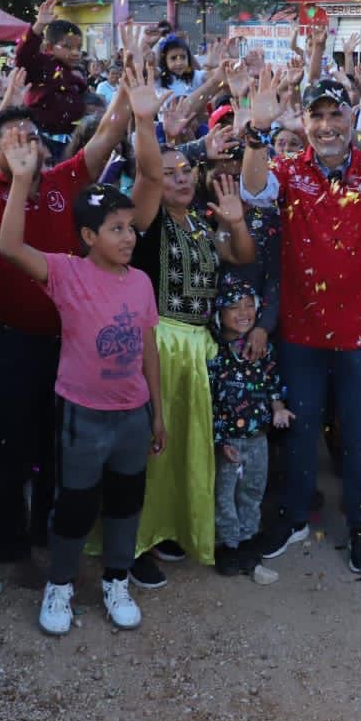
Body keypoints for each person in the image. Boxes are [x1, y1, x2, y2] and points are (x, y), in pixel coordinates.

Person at [241, 3, 361, 575]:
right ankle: (294, 517)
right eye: (317, 117)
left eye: (336, 116)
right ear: (303, 123)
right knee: (299, 432)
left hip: (360, 334)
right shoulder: (287, 171)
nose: (327, 126)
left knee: (358, 434)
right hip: (300, 332)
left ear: (353, 117)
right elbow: (253, 192)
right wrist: (256, 131)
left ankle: (360, 526)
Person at [0, 12, 131, 564]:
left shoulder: (66, 180)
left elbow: (107, 136)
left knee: (59, 444)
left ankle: (52, 533)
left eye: (35, 139)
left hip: (68, 340)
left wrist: (129, 87)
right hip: (6, 341)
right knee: (8, 445)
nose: (29, 148)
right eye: (15, 141)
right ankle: (8, 544)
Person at [0, 131, 163, 635]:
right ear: (89, 237)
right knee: (74, 503)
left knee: (126, 500)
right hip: (82, 414)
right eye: (116, 229)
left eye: (131, 228)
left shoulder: (140, 281)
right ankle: (61, 584)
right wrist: (22, 182)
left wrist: (158, 412)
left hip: (132, 414)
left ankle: (116, 579)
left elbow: (148, 348)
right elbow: (8, 247)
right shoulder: (66, 273)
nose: (129, 238)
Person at [119, 61, 255, 584]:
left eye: (185, 171)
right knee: (150, 451)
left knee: (183, 448)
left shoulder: (200, 223)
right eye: (170, 171)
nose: (178, 178)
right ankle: (134, 544)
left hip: (197, 348)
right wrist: (145, 123)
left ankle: (173, 528)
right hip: (155, 345)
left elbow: (239, 256)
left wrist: (237, 222)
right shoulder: (146, 221)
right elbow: (150, 173)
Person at [207, 274, 290, 582]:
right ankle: (227, 547)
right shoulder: (214, 356)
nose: (243, 313)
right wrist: (219, 440)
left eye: (248, 306)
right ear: (219, 315)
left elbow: (272, 382)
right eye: (234, 308)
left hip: (258, 439)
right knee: (225, 496)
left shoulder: (262, 351)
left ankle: (248, 545)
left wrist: (278, 407)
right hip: (229, 442)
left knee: (253, 491)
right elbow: (210, 402)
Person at [16, 0, 88, 138]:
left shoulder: (74, 78)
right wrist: (39, 26)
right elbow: (24, 55)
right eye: (67, 47)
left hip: (69, 140)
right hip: (42, 138)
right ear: (49, 47)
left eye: (78, 48)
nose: (75, 52)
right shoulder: (41, 65)